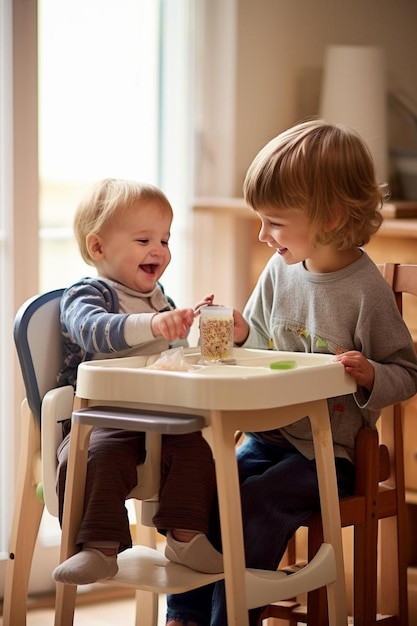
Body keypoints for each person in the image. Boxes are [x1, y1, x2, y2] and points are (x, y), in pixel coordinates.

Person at [165, 119, 417, 626]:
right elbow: (261, 346)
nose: (262, 235)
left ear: (330, 217)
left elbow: (407, 371)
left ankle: (230, 617)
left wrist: (370, 374)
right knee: (212, 489)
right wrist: (239, 334)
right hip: (269, 438)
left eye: (275, 222)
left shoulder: (365, 289)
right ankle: (185, 614)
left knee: (257, 501)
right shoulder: (279, 272)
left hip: (334, 455)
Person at [52, 178, 223, 586]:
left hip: (156, 416)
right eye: (144, 239)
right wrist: (152, 323)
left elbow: (171, 352)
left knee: (196, 451)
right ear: (98, 248)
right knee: (101, 457)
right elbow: (93, 331)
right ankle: (99, 547)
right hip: (101, 419)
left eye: (164, 240)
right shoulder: (88, 294)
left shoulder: (157, 295)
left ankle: (186, 535)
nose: (159, 251)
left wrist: (189, 328)